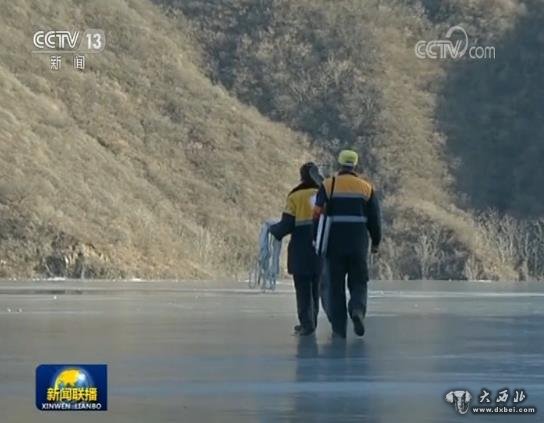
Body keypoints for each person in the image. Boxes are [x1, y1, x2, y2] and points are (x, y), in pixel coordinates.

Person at [313, 150, 381, 339]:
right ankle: (357, 309)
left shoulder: (329, 185)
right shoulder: (366, 188)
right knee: (359, 281)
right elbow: (375, 219)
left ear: (340, 163)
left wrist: (315, 238)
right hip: (358, 243)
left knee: (335, 287)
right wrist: (376, 242)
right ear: (355, 165)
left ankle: (339, 329)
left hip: (334, 243)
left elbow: (317, 214)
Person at [269, 162, 322, 336]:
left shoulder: (295, 196)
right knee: (315, 287)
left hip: (300, 248)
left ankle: (307, 323)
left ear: (302, 177)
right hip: (320, 248)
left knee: (303, 287)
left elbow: (287, 224)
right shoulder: (323, 194)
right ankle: (312, 320)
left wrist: (272, 230)